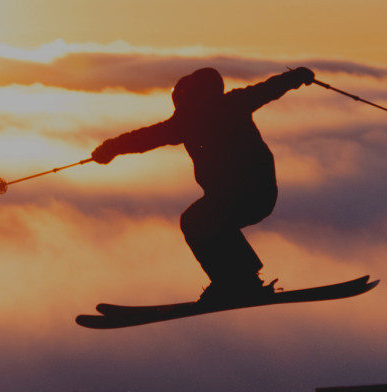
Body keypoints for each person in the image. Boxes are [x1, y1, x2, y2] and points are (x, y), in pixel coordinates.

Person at [93, 65, 314, 303]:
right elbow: (269, 89)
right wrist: (296, 76)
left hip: (238, 195)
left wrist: (111, 148)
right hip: (261, 193)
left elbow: (145, 137)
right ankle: (241, 280)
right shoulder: (233, 103)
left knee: (197, 221)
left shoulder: (187, 121)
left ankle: (234, 282)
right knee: (211, 224)